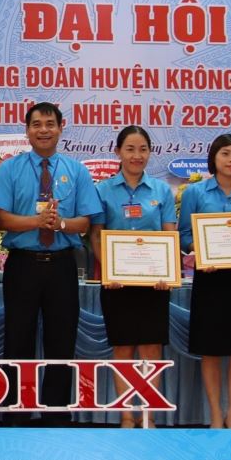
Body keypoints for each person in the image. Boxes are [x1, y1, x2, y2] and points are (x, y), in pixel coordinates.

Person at [0, 101, 100, 426]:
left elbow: (85, 222)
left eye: (50, 124)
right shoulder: (10, 169)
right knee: (17, 339)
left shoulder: (76, 171)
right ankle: (14, 414)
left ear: (61, 128)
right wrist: (36, 222)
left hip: (62, 266)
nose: (44, 130)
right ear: (27, 131)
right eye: (36, 124)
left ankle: (57, 414)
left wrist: (59, 224)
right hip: (22, 265)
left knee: (61, 341)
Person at [88, 125, 177, 429]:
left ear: (150, 153)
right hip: (118, 284)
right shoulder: (102, 190)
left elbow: (170, 235)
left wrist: (168, 271)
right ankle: (127, 415)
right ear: (118, 152)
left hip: (154, 284)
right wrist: (109, 269)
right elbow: (96, 236)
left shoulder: (161, 191)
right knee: (123, 348)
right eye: (130, 149)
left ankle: (148, 414)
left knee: (152, 348)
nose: (136, 155)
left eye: (143, 149)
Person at [178, 133, 231, 429]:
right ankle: (215, 414)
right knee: (212, 349)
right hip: (211, 280)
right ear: (213, 158)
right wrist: (200, 250)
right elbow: (184, 235)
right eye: (225, 154)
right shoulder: (195, 193)